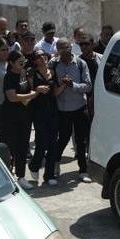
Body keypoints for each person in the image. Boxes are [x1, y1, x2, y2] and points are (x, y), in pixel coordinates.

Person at [50, 38, 93, 183]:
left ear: (71, 48)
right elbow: (51, 86)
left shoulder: (80, 64)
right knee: (63, 138)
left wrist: (73, 85)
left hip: (80, 107)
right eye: (61, 48)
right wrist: (61, 85)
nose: (65, 50)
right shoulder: (54, 64)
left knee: (81, 140)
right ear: (57, 50)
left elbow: (88, 86)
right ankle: (56, 164)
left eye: (67, 47)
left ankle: (83, 170)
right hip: (63, 109)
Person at [0, 51, 39, 189]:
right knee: (10, 147)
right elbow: (12, 97)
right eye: (19, 61)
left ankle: (21, 176)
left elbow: (29, 90)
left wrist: (31, 89)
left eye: (23, 60)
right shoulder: (8, 77)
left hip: (25, 117)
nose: (22, 63)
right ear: (11, 63)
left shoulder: (24, 75)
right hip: (10, 118)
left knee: (23, 147)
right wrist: (31, 95)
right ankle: (6, 176)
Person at [27, 50, 59, 186]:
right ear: (35, 61)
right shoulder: (31, 73)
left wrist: (64, 85)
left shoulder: (53, 71)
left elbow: (56, 92)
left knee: (53, 143)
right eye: (38, 56)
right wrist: (37, 89)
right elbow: (27, 91)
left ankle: (49, 175)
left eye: (43, 55)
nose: (42, 57)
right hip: (38, 111)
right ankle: (34, 165)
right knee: (42, 142)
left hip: (52, 110)